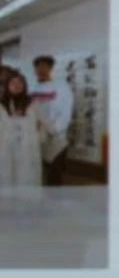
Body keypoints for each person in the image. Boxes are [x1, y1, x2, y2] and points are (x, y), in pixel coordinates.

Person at [29, 55, 72, 186]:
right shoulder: (32, 88)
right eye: (38, 66)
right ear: (35, 69)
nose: (41, 69)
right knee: (39, 170)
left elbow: (66, 110)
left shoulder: (61, 86)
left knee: (54, 173)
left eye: (45, 66)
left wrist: (55, 129)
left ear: (51, 68)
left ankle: (55, 197)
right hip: (37, 136)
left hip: (56, 136)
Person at [0, 73, 43, 187]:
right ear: (7, 85)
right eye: (13, 82)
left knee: (26, 175)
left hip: (26, 147)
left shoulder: (32, 103)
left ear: (24, 85)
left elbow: (39, 123)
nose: (16, 85)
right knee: (7, 175)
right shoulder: (1, 105)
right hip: (6, 148)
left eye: (20, 82)